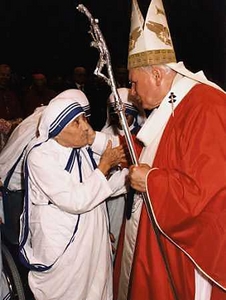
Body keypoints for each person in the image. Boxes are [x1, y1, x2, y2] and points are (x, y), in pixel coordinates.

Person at [113, 0, 226, 299]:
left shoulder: (206, 106)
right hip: (161, 237)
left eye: (135, 84)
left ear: (158, 75)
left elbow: (206, 194)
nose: (133, 94)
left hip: (190, 255)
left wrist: (150, 181)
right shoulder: (174, 102)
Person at [18, 90, 129, 300]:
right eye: (76, 122)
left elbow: (98, 189)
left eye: (84, 119)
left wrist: (128, 179)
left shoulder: (79, 150)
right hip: (63, 247)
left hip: (91, 242)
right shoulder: (40, 156)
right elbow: (75, 200)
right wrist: (104, 165)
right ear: (57, 129)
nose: (86, 127)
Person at [0, 89, 92, 300]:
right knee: (19, 245)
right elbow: (14, 157)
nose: (84, 125)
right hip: (16, 189)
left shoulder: (47, 120)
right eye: (79, 119)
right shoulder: (43, 129)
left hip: (27, 188)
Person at [102, 87, 145, 254]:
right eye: (116, 115)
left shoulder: (144, 136)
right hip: (113, 201)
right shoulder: (105, 134)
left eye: (125, 115)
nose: (120, 119)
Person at [0, 63, 23, 151]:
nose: (5, 77)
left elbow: (19, 114)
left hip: (11, 134)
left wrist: (15, 123)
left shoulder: (11, 94)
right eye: (2, 75)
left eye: (7, 75)